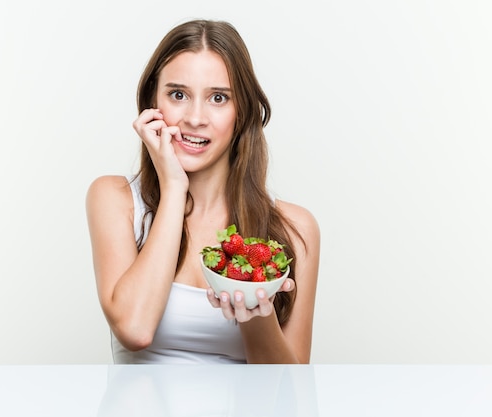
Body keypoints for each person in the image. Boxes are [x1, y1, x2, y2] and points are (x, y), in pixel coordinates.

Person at [86, 19, 320, 364]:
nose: (195, 118)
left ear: (241, 112)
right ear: (153, 100)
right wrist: (174, 188)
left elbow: (292, 389)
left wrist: (256, 316)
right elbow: (134, 330)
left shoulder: (295, 229)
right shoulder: (115, 200)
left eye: (218, 98)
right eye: (178, 94)